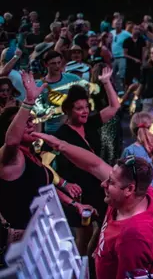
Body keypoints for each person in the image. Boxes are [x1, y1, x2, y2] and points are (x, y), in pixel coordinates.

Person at [31, 134, 153, 278]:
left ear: (129, 189)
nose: (103, 184)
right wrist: (61, 144)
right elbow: (94, 165)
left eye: (111, 182)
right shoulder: (144, 192)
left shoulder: (133, 239)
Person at [0, 74, 93, 240]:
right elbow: (12, 142)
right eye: (24, 122)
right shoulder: (11, 157)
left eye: (31, 120)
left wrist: (74, 204)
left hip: (39, 236)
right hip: (16, 244)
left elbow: (45, 187)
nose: (31, 124)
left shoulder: (30, 154)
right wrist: (29, 101)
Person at [50, 69, 121, 257]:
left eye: (86, 107)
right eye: (79, 108)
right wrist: (66, 186)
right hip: (78, 190)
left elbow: (114, 107)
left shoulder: (89, 123)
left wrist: (106, 82)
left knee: (104, 225)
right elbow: (48, 166)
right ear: (67, 110)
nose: (84, 111)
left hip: (98, 185)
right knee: (84, 234)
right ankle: (82, 269)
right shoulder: (61, 135)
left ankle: (92, 261)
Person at [33, 50, 85, 135]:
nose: (57, 66)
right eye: (53, 63)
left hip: (73, 129)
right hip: (53, 131)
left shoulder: (73, 79)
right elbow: (37, 113)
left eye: (59, 62)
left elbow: (86, 97)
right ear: (46, 64)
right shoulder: (40, 86)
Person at [110, 18, 131, 92]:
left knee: (122, 74)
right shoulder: (111, 33)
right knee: (111, 74)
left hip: (122, 56)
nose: (117, 25)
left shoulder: (126, 33)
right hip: (112, 57)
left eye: (119, 24)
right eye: (116, 24)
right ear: (113, 25)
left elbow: (133, 39)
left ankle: (125, 89)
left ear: (121, 25)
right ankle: (115, 89)